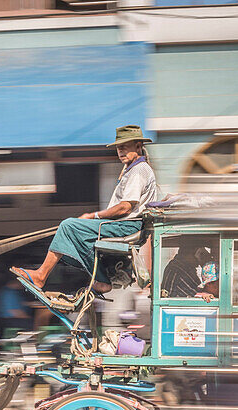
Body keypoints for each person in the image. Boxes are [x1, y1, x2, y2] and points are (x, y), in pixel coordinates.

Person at [12, 124, 160, 295]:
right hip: (122, 225)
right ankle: (101, 277)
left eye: (125, 147)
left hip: (127, 225)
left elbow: (124, 208)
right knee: (68, 241)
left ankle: (41, 276)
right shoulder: (131, 170)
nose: (120, 151)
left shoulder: (139, 170)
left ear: (138, 146)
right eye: (118, 148)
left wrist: (93, 216)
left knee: (68, 226)